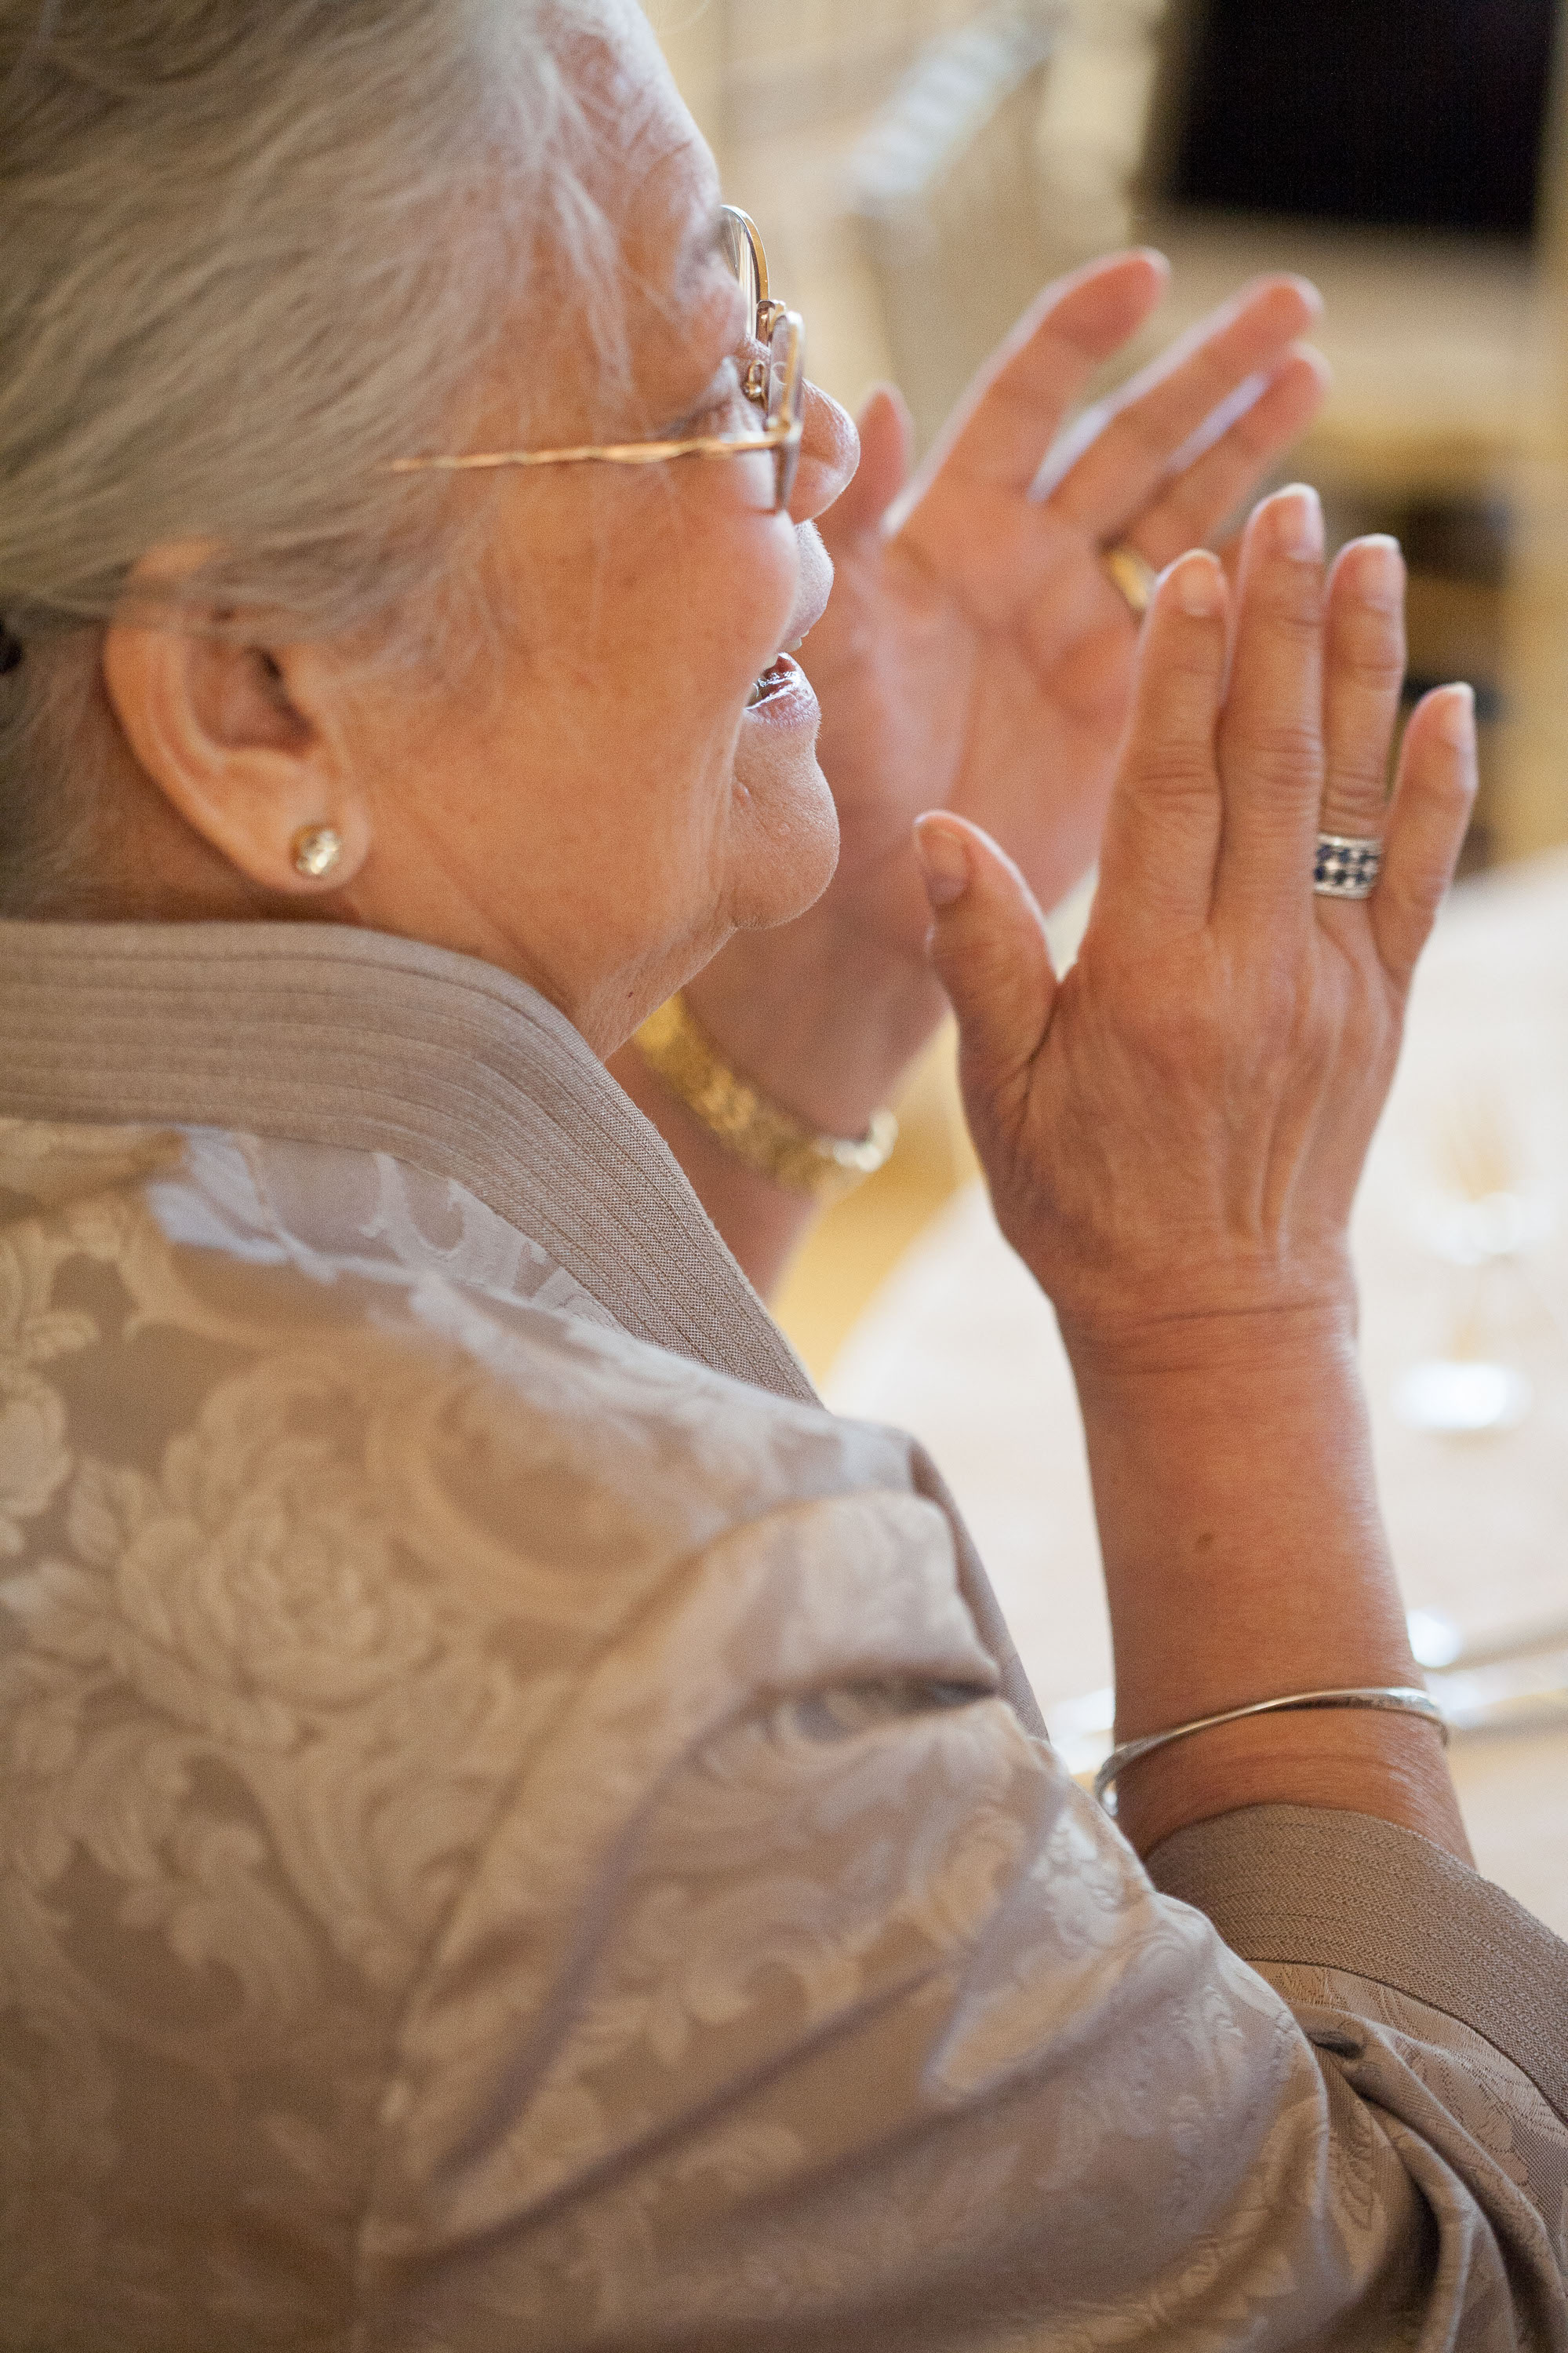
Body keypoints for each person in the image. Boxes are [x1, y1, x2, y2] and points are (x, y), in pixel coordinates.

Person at [0, 1, 1562, 2346]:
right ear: (252, 696)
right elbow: (1430, 2284)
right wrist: (1222, 1313)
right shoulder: (680, 1667)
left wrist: (809, 1009)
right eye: (715, 374)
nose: (823, 451)